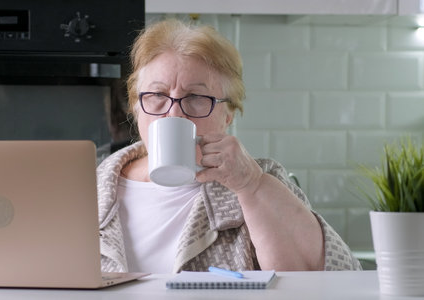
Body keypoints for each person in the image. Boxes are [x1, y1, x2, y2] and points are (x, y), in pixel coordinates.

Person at [97, 19, 361, 273]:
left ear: (228, 115)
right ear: (136, 107)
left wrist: (252, 185)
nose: (174, 114)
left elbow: (323, 279)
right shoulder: (90, 188)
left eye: (196, 97)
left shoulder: (261, 182)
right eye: (157, 95)